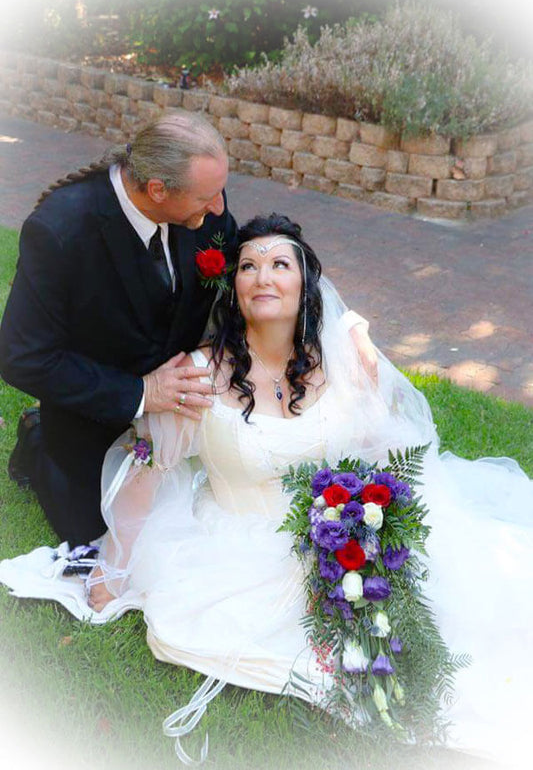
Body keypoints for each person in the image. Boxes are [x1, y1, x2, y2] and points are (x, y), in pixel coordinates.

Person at [1, 214, 531, 768]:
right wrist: (112, 571)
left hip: (339, 528)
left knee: (468, 610)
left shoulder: (343, 361)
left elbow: (383, 451)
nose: (263, 277)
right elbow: (147, 474)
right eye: (249, 266)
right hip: (236, 541)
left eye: (280, 264)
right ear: (234, 288)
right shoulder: (200, 375)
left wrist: (375, 519)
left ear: (306, 284)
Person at [0, 112, 377, 548]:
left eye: (221, 191)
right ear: (158, 190)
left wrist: (345, 324)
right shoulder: (60, 231)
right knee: (109, 540)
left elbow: (262, 274)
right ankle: (38, 438)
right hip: (98, 416)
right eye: (208, 197)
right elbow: (21, 357)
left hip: (192, 417)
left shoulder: (202, 202)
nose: (219, 208)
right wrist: (142, 392)